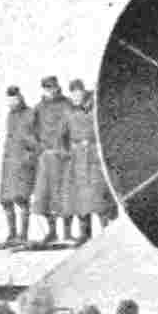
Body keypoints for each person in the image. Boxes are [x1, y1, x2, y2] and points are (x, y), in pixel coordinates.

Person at [29, 75, 75, 247]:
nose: (50, 90)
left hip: (64, 158)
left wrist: (68, 149)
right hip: (46, 158)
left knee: (66, 195)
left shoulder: (67, 104)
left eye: (52, 87)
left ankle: (68, 232)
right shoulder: (38, 108)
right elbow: (31, 131)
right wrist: (39, 147)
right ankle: (52, 231)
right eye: (47, 88)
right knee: (45, 196)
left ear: (58, 87)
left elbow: (75, 127)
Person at [63, 79, 107, 244]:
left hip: (93, 157)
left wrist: (93, 143)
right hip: (77, 159)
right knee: (81, 198)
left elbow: (103, 129)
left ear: (83, 92)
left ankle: (106, 231)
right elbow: (63, 135)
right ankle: (85, 234)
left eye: (78, 93)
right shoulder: (68, 112)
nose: (76, 97)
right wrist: (69, 150)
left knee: (98, 196)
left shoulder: (95, 108)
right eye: (73, 94)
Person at [0, 85, 38, 250]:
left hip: (24, 164)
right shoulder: (10, 116)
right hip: (9, 163)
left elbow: (37, 139)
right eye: (9, 100)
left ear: (20, 98)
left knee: (22, 199)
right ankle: (12, 235)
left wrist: (30, 157)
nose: (11, 103)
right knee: (5, 200)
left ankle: (23, 236)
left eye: (14, 100)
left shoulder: (31, 114)